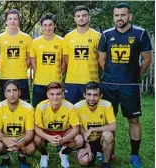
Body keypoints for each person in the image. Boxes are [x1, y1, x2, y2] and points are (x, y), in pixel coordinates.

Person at [98, 3, 152, 168]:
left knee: (133, 120)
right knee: (107, 120)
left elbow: (147, 60)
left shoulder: (140, 33)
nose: (119, 18)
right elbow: (102, 60)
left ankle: (134, 155)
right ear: (113, 16)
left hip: (130, 85)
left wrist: (134, 76)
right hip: (109, 85)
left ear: (130, 16)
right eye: (116, 15)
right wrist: (113, 75)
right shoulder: (106, 35)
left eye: (123, 15)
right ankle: (108, 151)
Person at [34, 82, 83, 168]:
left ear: (63, 94)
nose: (55, 97)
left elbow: (76, 128)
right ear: (47, 95)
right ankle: (44, 154)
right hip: (47, 131)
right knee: (36, 139)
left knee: (79, 140)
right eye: (52, 94)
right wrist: (48, 137)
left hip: (64, 132)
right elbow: (36, 127)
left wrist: (63, 140)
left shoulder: (69, 107)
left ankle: (64, 153)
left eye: (58, 94)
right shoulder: (40, 107)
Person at [63, 5, 101, 104]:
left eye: (84, 15)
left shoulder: (97, 36)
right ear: (74, 19)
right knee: (71, 112)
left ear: (89, 17)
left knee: (91, 112)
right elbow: (66, 59)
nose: (81, 18)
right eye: (78, 16)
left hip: (91, 81)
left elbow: (101, 58)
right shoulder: (68, 37)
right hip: (72, 81)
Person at [0, 80, 35, 168]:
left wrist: (21, 143)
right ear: (4, 94)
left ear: (19, 92)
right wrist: (5, 140)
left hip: (21, 139)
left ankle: (22, 158)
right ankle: (5, 159)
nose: (12, 94)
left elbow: (30, 133)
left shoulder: (28, 108)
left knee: (31, 149)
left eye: (15, 90)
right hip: (6, 138)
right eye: (8, 91)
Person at [0, 9, 33, 103]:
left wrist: (21, 69)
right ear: (6, 21)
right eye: (10, 19)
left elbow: (29, 58)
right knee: (5, 106)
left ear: (19, 21)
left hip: (22, 78)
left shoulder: (27, 38)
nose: (12, 21)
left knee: (24, 106)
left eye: (15, 19)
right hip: (4, 78)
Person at [75, 82, 116, 168]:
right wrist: (87, 144)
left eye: (95, 95)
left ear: (100, 96)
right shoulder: (77, 107)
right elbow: (78, 126)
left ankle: (105, 162)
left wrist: (92, 129)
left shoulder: (107, 105)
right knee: (84, 161)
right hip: (86, 139)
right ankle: (91, 154)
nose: (92, 98)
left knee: (108, 135)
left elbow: (113, 126)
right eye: (89, 94)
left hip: (100, 139)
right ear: (84, 95)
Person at [30, 13, 64, 108]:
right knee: (38, 110)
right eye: (45, 25)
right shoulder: (35, 42)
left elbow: (64, 62)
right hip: (39, 83)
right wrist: (40, 74)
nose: (47, 28)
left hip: (56, 82)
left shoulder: (62, 41)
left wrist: (59, 74)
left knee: (56, 110)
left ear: (55, 25)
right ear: (41, 26)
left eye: (50, 25)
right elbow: (33, 62)